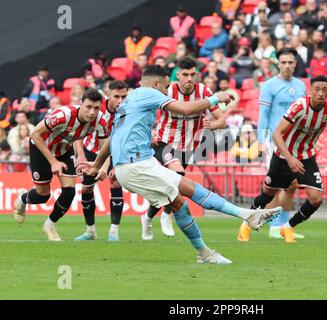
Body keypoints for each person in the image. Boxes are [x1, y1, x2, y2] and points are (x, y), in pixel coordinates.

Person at [78, 64, 281, 264]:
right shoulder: (149, 93)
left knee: (180, 202)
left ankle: (207, 249)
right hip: (136, 165)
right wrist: (215, 98)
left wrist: (97, 164)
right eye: (166, 87)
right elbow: (184, 109)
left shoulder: (130, 99)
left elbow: (114, 137)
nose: (167, 91)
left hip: (135, 164)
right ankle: (244, 218)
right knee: (189, 188)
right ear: (157, 84)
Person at [253, 75, 327, 243]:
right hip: (283, 155)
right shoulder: (300, 106)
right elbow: (277, 133)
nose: (321, 93)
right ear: (310, 91)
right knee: (268, 193)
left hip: (306, 157)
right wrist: (289, 158)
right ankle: (247, 223)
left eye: (324, 90)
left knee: (316, 198)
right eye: (317, 89)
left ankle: (288, 227)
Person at [143, 57, 227, 240]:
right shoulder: (168, 90)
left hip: (188, 147)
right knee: (176, 176)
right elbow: (146, 110)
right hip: (165, 143)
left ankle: (148, 217)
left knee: (169, 185)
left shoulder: (204, 91)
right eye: (185, 75)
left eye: (192, 75)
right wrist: (150, 131)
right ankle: (166, 216)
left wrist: (212, 125)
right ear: (178, 75)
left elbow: (222, 120)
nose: (189, 79)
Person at [12, 89, 107, 242]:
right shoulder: (64, 115)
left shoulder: (100, 121)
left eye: (96, 108)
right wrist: (53, 162)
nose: (92, 112)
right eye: (88, 107)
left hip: (64, 150)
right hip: (40, 148)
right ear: (80, 104)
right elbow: (35, 134)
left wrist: (101, 166)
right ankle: (23, 199)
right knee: (43, 196)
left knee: (69, 192)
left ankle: (49, 225)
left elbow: (104, 148)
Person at [237, 48, 306, 242]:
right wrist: (261, 141)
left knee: (291, 186)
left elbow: (302, 117)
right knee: (276, 186)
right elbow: (264, 115)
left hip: (295, 143)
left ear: (295, 64)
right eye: (283, 62)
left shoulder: (300, 86)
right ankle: (274, 226)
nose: (287, 66)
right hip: (275, 142)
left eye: (290, 63)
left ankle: (283, 226)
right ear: (278, 63)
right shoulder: (269, 86)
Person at [73, 81, 128, 241]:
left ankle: (114, 232)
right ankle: (90, 232)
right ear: (108, 95)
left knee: (115, 183)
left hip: (113, 153)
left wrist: (115, 163)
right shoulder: (96, 107)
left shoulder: (128, 111)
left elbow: (123, 138)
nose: (120, 100)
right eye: (116, 96)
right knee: (86, 190)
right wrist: (81, 156)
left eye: (123, 96)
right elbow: (77, 132)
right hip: (90, 151)